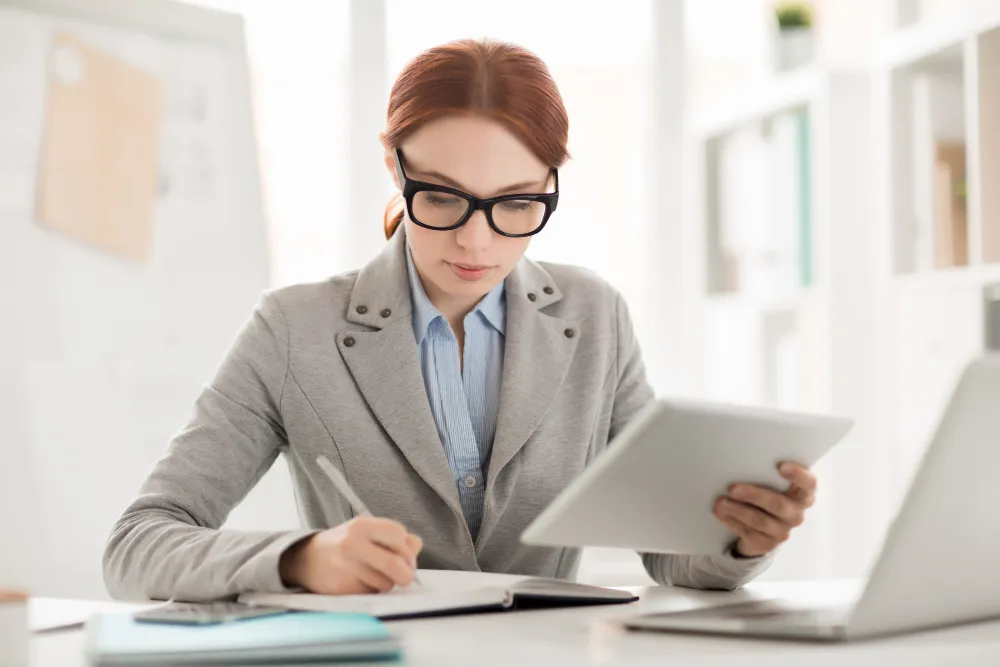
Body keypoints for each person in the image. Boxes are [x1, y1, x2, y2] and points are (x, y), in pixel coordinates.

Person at [103, 39, 818, 602]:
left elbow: (672, 556)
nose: (477, 242)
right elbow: (137, 545)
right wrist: (298, 559)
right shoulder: (294, 327)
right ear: (394, 165)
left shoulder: (593, 316)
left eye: (515, 203)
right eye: (442, 197)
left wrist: (742, 538)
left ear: (549, 183)